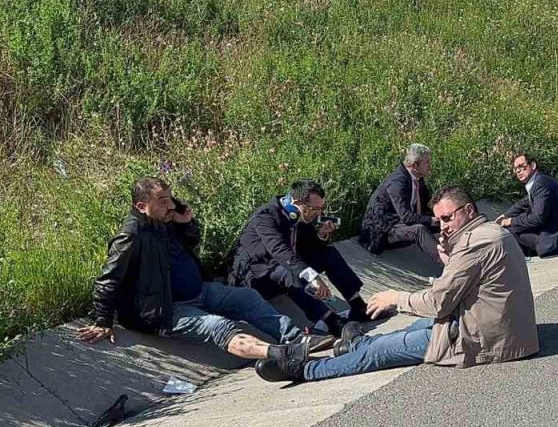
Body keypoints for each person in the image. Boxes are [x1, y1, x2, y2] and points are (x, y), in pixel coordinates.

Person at [255, 186, 539, 382]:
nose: (443, 226)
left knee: (378, 354)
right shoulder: (490, 232)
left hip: (481, 340)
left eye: (448, 218)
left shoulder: (473, 244)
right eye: (439, 220)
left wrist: (396, 297)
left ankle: (307, 369)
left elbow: (438, 302)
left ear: (468, 210)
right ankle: (356, 343)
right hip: (500, 329)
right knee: (415, 328)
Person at [78, 177, 310, 364]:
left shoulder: (165, 223)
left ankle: (298, 339)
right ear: (141, 206)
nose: (170, 205)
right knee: (216, 325)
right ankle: (281, 355)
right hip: (166, 309)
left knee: (247, 298)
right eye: (162, 201)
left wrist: (185, 221)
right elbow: (107, 280)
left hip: (199, 292)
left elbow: (191, 242)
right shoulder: (131, 235)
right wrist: (103, 320)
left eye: (170, 199)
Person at [228, 179, 373, 333]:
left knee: (329, 254)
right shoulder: (265, 217)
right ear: (297, 202)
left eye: (320, 209)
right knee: (291, 270)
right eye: (314, 209)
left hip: (283, 271)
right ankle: (331, 321)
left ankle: (357, 305)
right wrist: (313, 277)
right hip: (255, 276)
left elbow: (312, 248)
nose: (318, 213)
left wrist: (322, 234)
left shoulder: (302, 215)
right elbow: (280, 251)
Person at [357, 143, 439, 261]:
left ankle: (463, 253)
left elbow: (428, 204)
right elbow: (407, 217)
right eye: (427, 163)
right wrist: (431, 220)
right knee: (419, 230)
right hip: (382, 232)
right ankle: (449, 264)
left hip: (399, 223)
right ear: (415, 165)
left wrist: (442, 218)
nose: (430, 166)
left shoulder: (417, 179)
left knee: (444, 223)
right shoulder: (398, 182)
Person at [497, 154, 558, 258]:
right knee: (517, 223)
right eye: (515, 169)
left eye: (521, 166)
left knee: (510, 230)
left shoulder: (540, 184)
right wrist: (504, 215)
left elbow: (537, 218)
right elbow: (523, 203)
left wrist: (510, 221)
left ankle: (523, 256)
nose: (518, 171)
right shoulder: (542, 180)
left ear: (533, 165)